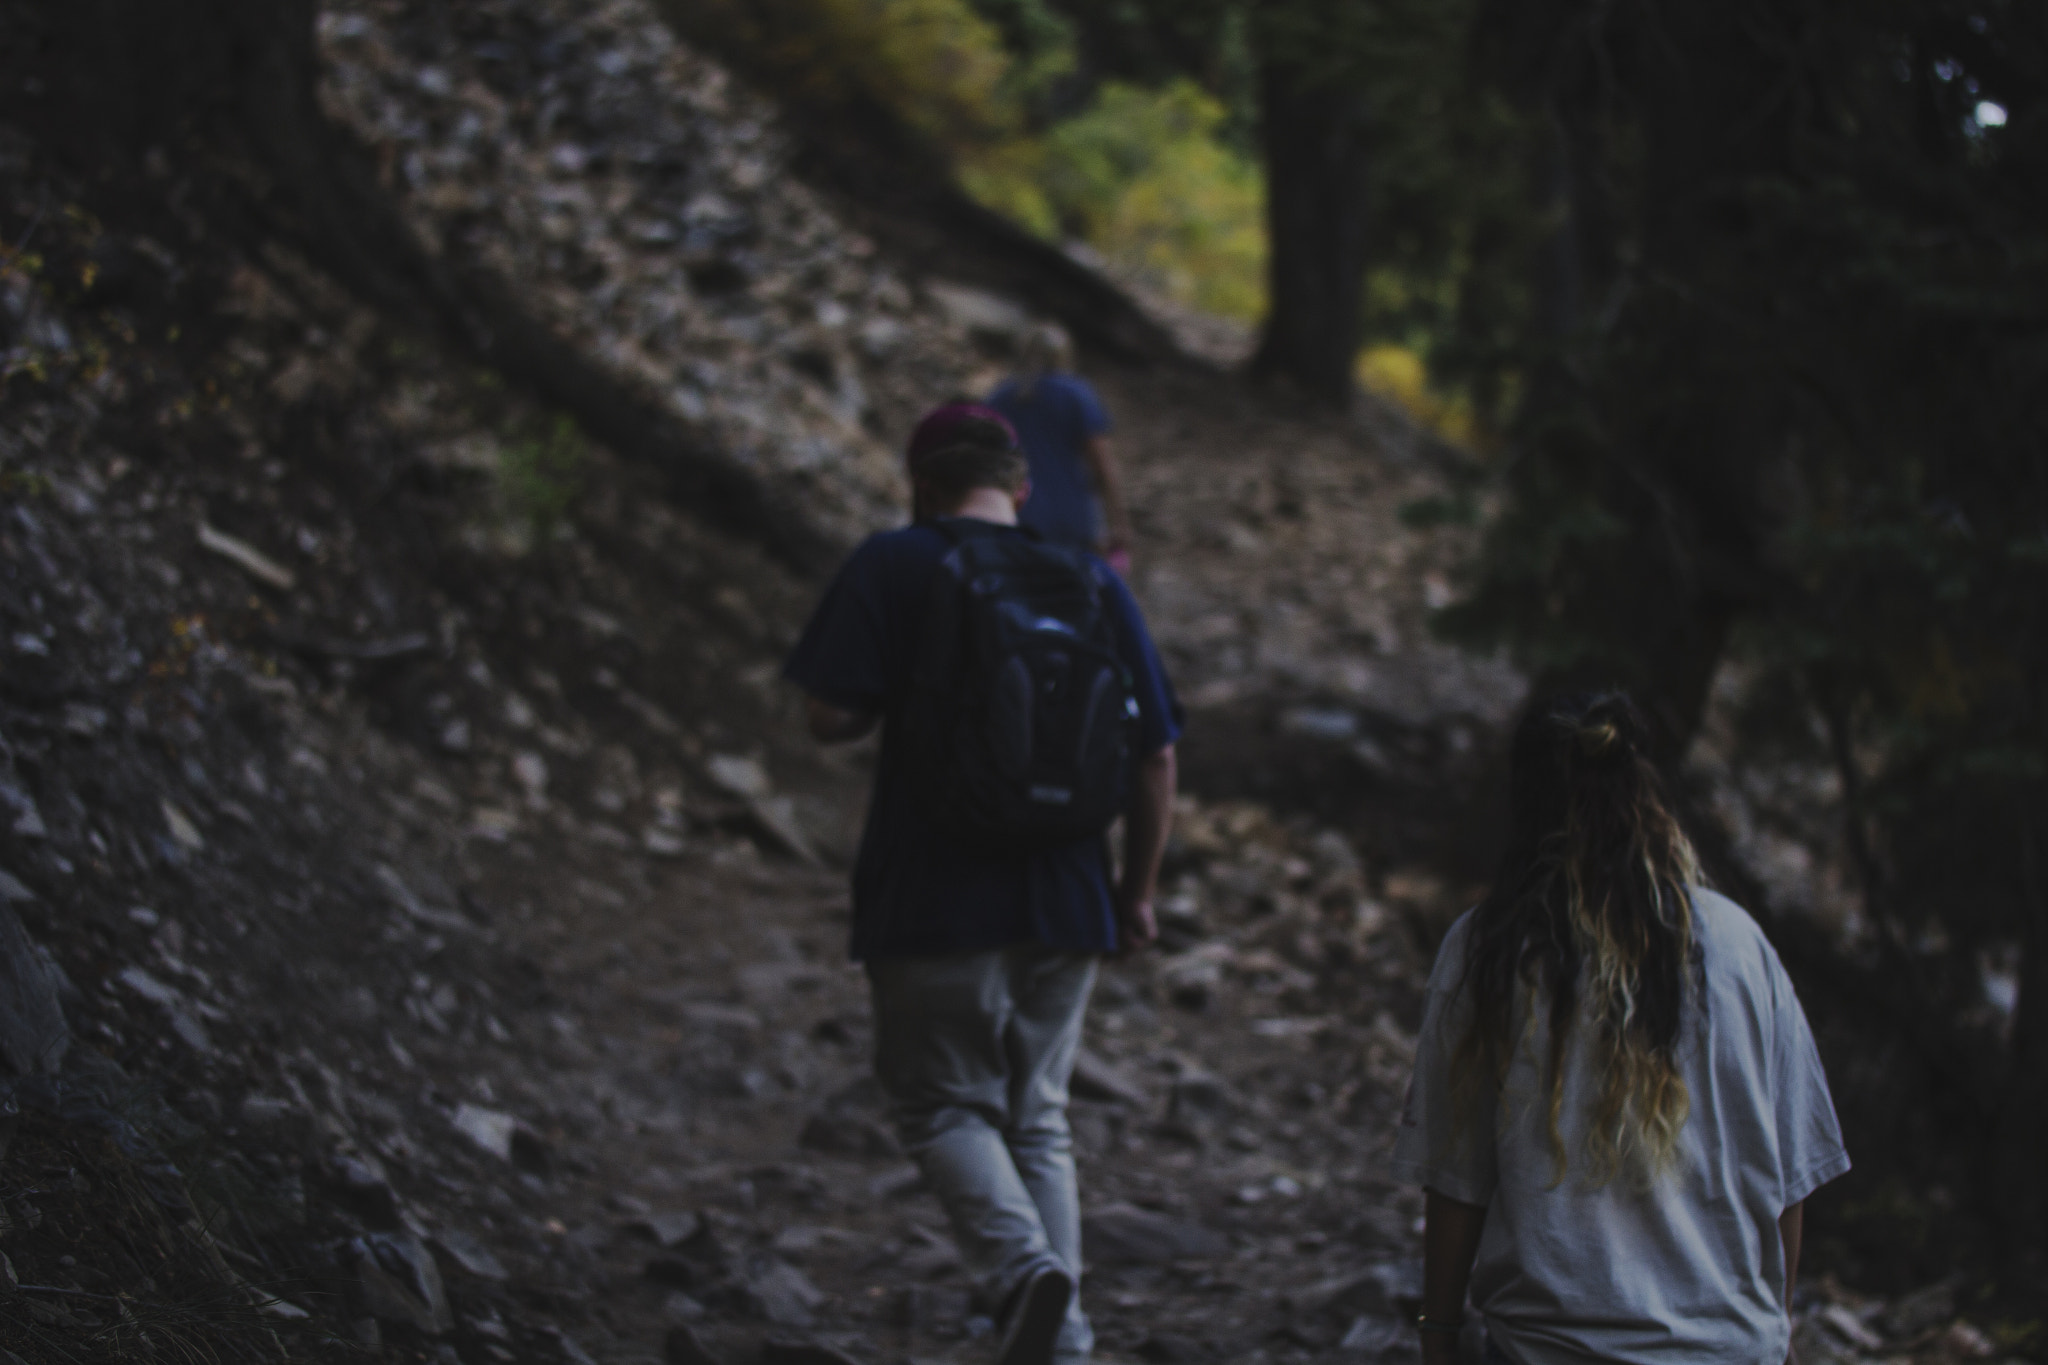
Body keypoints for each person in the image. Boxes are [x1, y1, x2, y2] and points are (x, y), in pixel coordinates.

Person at [785, 404, 1183, 1365]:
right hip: (1067, 895)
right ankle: (1066, 1339)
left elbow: (828, 714)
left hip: (931, 894)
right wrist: (1135, 891)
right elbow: (1158, 754)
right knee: (1038, 1116)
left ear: (920, 484)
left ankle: (1020, 1275)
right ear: (1022, 484)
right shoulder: (1087, 576)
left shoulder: (893, 560)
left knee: (939, 1105)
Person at [1392, 692, 1849, 1365]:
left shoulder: (1487, 950)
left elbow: (1455, 1183)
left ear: (1525, 803)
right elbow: (1789, 1177)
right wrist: (1772, 1324)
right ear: (1643, 794)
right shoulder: (1739, 945)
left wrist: (1438, 1333)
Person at [986, 324, 1135, 571]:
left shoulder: (1001, 398)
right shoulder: (1077, 395)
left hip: (1015, 515)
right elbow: (1102, 467)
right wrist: (1119, 522)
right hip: (1071, 518)